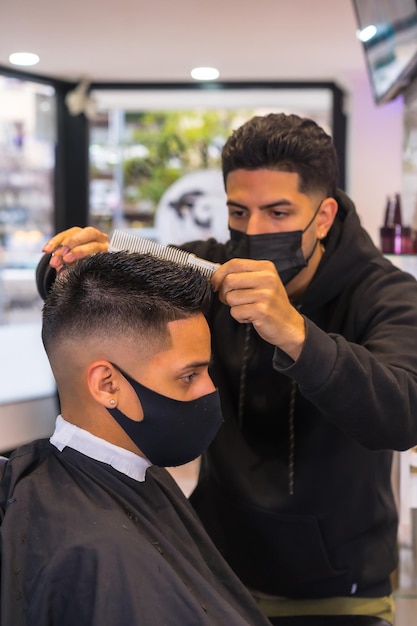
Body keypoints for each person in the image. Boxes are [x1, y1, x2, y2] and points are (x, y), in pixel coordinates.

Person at [34, 113, 417, 625]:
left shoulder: (386, 295)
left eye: (278, 213)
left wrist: (296, 334)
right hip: (216, 565)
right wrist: (74, 260)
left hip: (336, 588)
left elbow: (402, 412)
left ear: (323, 216)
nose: (253, 232)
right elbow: (103, 294)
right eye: (240, 212)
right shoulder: (211, 272)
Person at [0, 251, 271, 626]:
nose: (210, 390)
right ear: (107, 384)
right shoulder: (99, 553)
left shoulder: (121, 476)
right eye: (189, 376)